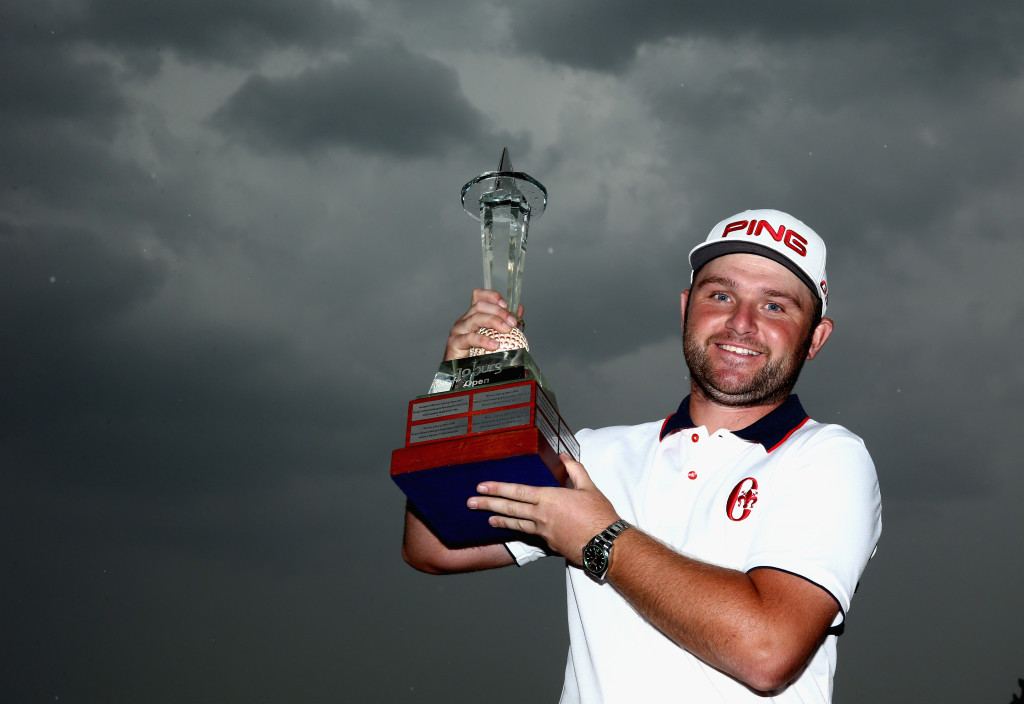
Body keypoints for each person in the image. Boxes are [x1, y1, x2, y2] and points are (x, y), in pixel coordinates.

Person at [402, 209, 882, 703]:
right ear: (685, 308)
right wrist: (461, 392)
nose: (741, 323)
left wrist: (599, 538)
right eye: (720, 295)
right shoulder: (591, 455)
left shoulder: (828, 458)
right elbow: (434, 545)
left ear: (815, 339)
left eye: (775, 306)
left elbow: (767, 652)